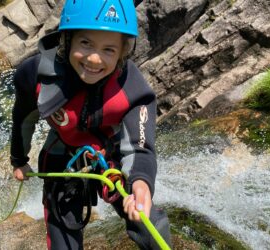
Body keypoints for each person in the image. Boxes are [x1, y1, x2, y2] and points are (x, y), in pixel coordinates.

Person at [10, 0, 172, 249]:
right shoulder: (36, 76)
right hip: (64, 157)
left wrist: (140, 181)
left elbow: (139, 146)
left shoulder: (133, 89)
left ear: (122, 53)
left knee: (149, 221)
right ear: (68, 40)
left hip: (112, 156)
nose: (95, 59)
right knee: (63, 239)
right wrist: (19, 159)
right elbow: (23, 117)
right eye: (86, 43)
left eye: (109, 49)